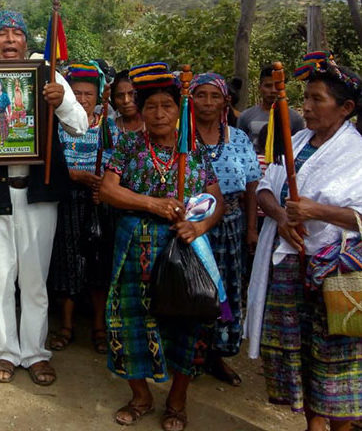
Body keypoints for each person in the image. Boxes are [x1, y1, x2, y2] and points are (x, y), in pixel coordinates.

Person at [0, 10, 88, 386]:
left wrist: (60, 101)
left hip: (38, 195)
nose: (11, 40)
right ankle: (6, 352)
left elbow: (81, 126)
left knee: (34, 278)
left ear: (26, 41)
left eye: (17, 33)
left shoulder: (48, 75)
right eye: (1, 33)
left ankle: (36, 352)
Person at [97, 62, 223, 430]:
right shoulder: (129, 146)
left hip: (185, 251)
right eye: (150, 106)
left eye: (167, 105)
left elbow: (217, 199)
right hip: (136, 249)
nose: (159, 113)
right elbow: (108, 190)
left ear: (179, 108)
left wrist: (198, 226)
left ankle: (177, 401)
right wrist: (151, 204)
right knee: (129, 321)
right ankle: (140, 397)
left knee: (188, 324)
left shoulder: (193, 150)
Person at [246, 52, 362, 431]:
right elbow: (265, 188)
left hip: (335, 276)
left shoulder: (357, 155)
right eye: (305, 98)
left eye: (317, 100)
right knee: (296, 353)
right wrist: (280, 217)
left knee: (336, 359)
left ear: (345, 108)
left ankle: (340, 426)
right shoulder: (294, 141)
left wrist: (317, 212)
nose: (306, 107)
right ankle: (312, 423)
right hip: (288, 266)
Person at [190, 72, 261, 386]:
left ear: (224, 101)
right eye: (200, 95)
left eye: (214, 96)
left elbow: (252, 185)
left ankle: (216, 356)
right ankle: (188, 355)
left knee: (226, 292)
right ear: (190, 100)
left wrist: (251, 229)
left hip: (230, 226)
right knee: (189, 289)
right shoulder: (181, 137)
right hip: (192, 228)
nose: (207, 102)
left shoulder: (239, 138)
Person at [47, 62, 118, 354]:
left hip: (98, 203)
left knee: (98, 266)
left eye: (89, 93)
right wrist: (75, 176)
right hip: (67, 202)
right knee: (67, 265)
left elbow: (117, 162)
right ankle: (66, 326)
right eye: (77, 93)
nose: (84, 99)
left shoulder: (108, 126)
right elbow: (51, 162)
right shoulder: (58, 123)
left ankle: (99, 327)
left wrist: (103, 185)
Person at [238, 65, 304, 152]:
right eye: (268, 86)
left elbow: (298, 149)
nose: (273, 90)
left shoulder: (295, 119)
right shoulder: (245, 116)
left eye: (277, 86)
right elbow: (239, 149)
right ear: (260, 88)